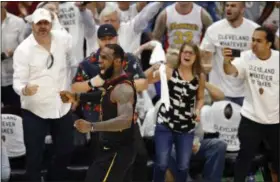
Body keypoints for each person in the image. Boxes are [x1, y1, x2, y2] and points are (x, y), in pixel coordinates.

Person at [12, 8, 77, 181]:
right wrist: (25, 89)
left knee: (66, 151)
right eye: (39, 23)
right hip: (35, 109)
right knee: (34, 157)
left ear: (51, 24)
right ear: (32, 25)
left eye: (46, 23)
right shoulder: (23, 49)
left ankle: (52, 178)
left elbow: (72, 59)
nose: (42, 27)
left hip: (61, 106)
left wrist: (72, 91)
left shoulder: (62, 40)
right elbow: (17, 81)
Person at [62, 44, 137, 182]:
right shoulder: (112, 82)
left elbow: (125, 120)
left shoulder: (123, 87)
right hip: (108, 149)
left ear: (117, 61)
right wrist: (77, 97)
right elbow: (104, 96)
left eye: (105, 58)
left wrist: (91, 126)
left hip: (117, 152)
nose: (99, 61)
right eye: (99, 57)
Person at [223, 26, 279, 182]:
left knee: (277, 161)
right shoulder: (247, 57)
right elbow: (230, 71)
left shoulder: (278, 60)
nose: (254, 44)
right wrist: (226, 61)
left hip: (275, 120)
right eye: (253, 40)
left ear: (269, 44)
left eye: (259, 41)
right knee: (244, 158)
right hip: (251, 118)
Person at [144, 42, 205, 182]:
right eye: (185, 52)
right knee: (161, 164)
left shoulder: (199, 77)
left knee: (183, 167)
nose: (187, 55)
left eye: (191, 53)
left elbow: (200, 98)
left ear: (196, 57)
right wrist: (153, 67)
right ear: (180, 55)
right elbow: (146, 79)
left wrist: (197, 109)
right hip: (166, 124)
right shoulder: (169, 71)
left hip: (186, 128)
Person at [200, 2, 260, 106]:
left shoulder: (255, 30)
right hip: (220, 93)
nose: (228, 8)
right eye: (227, 5)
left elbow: (261, 59)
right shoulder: (214, 29)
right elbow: (205, 59)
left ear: (242, 9)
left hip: (246, 93)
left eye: (233, 6)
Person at [1, 2, 26, 107]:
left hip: (12, 79)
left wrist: (14, 52)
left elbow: (25, 49)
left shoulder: (18, 22)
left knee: (15, 115)